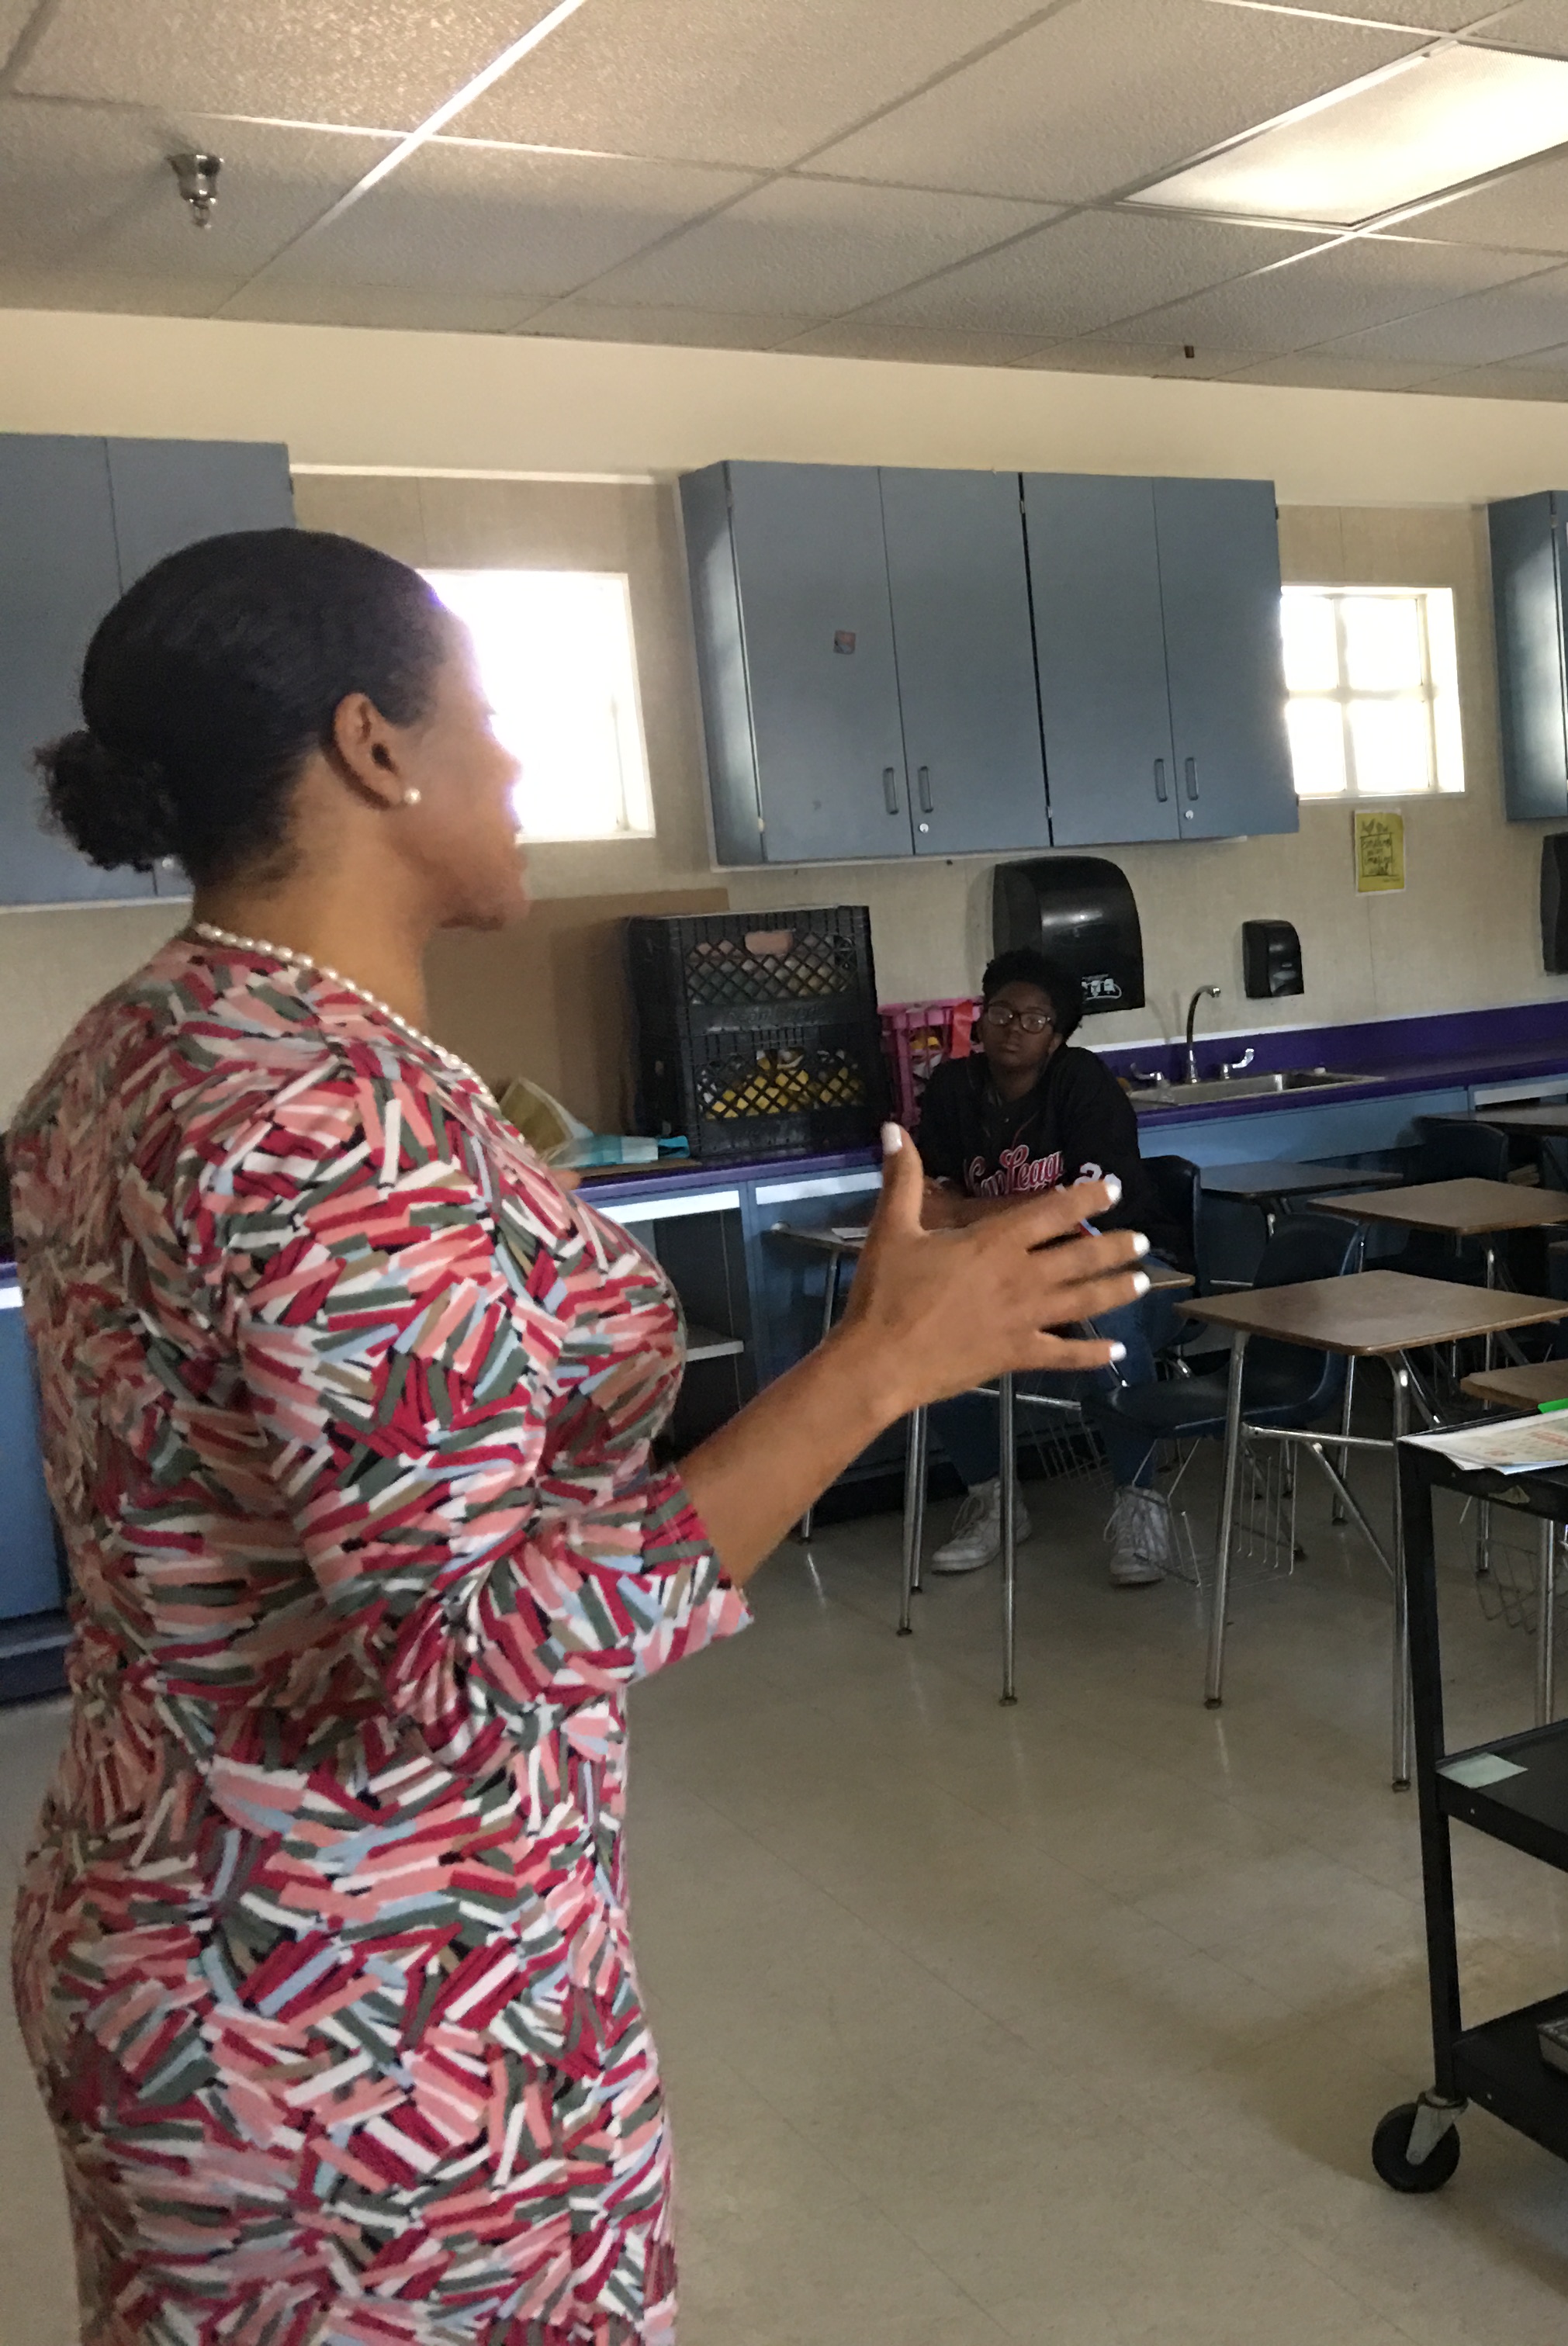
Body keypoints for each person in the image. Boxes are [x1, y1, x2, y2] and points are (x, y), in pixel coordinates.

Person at [4, 529, 1147, 2344]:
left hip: (229, 1932)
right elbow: (461, 1659)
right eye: (489, 717)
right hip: (368, 2028)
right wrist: (868, 1372)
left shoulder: (153, 1042)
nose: (520, 762)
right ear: (376, 746)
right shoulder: (322, 1119)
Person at [915, 947, 1182, 1587]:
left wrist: (968, 1211)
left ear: (1057, 1036)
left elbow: (1086, 1203)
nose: (1013, 1029)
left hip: (1127, 1261)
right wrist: (962, 1211)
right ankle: (995, 1503)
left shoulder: (1081, 1081)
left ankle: (1140, 1503)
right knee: (925, 1325)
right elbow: (928, 1194)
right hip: (1010, 1273)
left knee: (1105, 1313)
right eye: (1001, 1013)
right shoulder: (954, 1087)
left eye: (1034, 1020)